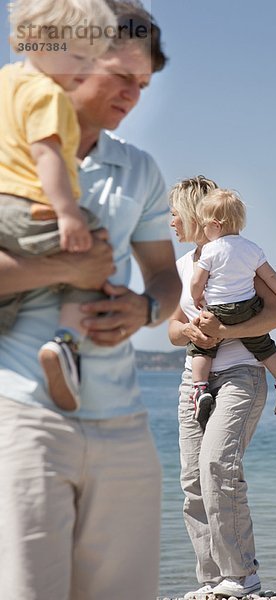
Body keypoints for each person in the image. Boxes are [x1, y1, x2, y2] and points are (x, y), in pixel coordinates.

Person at [0, 2, 181, 599]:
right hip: (20, 418)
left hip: (123, 425)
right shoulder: (7, 151)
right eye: (122, 76)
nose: (134, 95)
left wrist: (147, 310)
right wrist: (62, 265)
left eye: (144, 84)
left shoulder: (140, 169)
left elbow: (164, 277)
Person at [168, 176, 276, 599]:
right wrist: (194, 332)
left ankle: (243, 575)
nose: (171, 222)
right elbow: (172, 332)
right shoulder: (181, 267)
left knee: (219, 465)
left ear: (200, 215)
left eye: (175, 213)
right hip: (194, 379)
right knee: (192, 479)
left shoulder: (235, 257)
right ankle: (213, 581)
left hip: (242, 374)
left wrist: (224, 330)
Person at [0, 0, 117, 411]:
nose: (86, 70)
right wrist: (68, 213)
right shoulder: (48, 94)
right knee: (95, 247)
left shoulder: (6, 80)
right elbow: (46, 154)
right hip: (33, 205)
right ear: (38, 42)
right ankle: (65, 344)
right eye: (79, 57)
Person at [188, 186, 276, 426]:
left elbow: (198, 280)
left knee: (202, 349)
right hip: (248, 308)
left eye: (205, 224)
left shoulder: (210, 249)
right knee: (264, 346)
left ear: (215, 225)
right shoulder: (252, 248)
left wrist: (196, 295)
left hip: (217, 310)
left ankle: (200, 389)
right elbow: (271, 278)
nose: (204, 229)